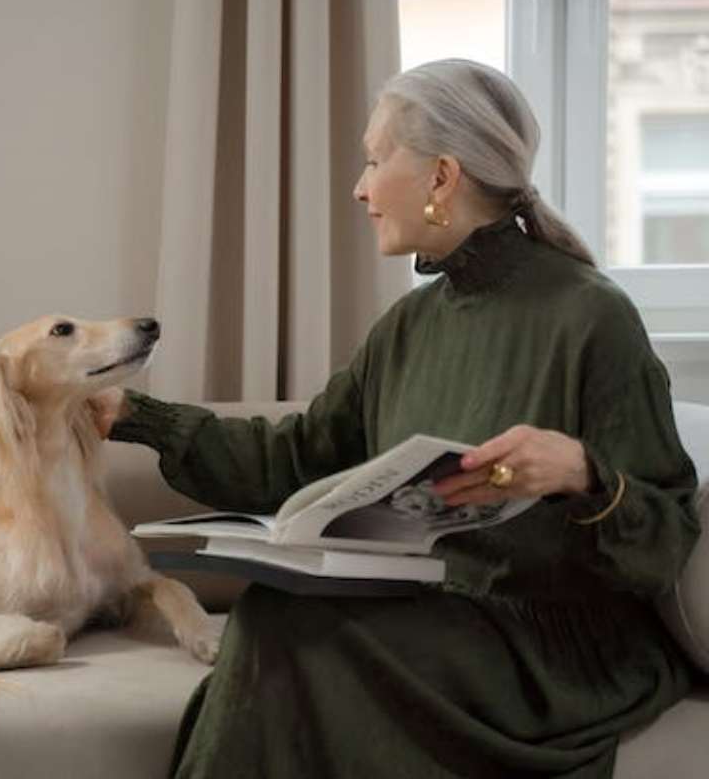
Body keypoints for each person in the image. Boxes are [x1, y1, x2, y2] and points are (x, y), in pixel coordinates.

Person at [90, 59, 701, 778]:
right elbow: (300, 456)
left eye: (376, 159)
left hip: (555, 646)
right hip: (439, 617)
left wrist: (581, 473)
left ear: (442, 178)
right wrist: (136, 415)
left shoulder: (592, 316)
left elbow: (666, 537)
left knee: (282, 630)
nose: (360, 187)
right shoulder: (409, 325)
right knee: (274, 615)